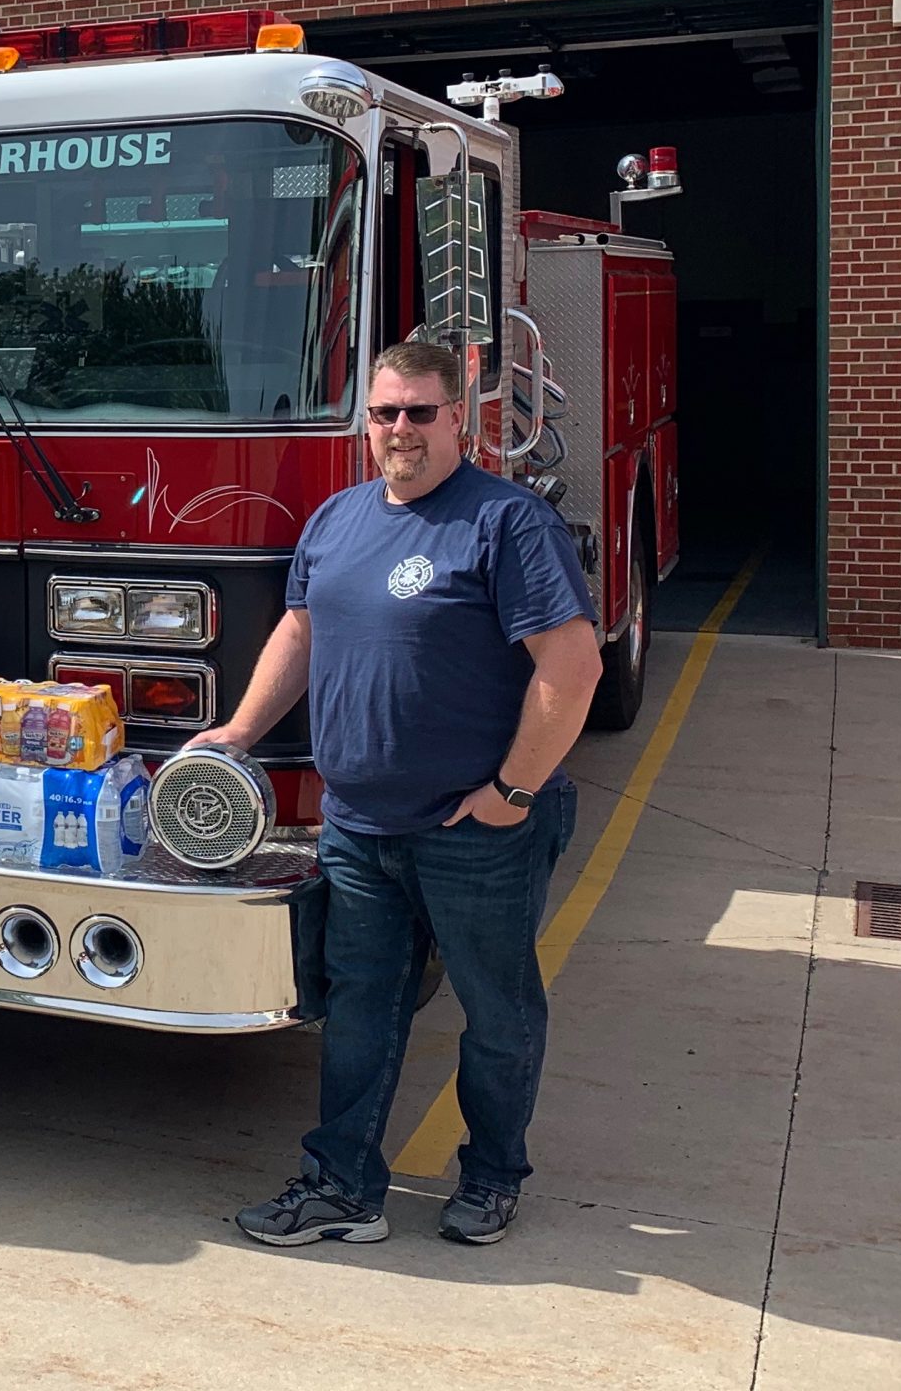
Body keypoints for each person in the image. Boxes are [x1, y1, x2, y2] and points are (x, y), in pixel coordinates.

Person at [197, 340, 599, 1247]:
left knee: (497, 1013)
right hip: (357, 827)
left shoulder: (507, 523)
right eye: (385, 412)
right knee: (359, 1013)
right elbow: (300, 633)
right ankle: (342, 1188)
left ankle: (492, 1178)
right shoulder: (336, 519)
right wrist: (239, 732)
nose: (401, 429)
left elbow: (572, 667)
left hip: (477, 830)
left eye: (420, 411)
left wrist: (512, 790)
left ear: (461, 418)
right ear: (366, 422)